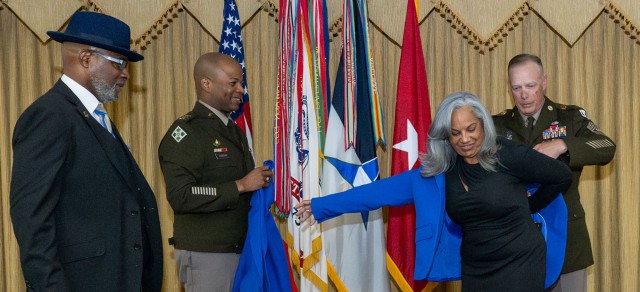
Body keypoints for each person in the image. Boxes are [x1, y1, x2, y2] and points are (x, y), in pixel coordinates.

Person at [296, 92, 572, 291]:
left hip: (520, 261)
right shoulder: (439, 174)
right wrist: (321, 206)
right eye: (455, 133)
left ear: (483, 125)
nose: (464, 139)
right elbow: (378, 192)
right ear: (445, 136)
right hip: (476, 266)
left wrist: (531, 206)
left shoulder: (508, 155)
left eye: (471, 129)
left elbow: (560, 175)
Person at [10, 11, 163, 291]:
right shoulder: (50, 115)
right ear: (86, 59)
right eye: (120, 63)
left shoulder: (95, 117)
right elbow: (32, 221)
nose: (126, 74)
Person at [493, 54, 616, 292]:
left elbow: (606, 147)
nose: (524, 95)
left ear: (544, 82)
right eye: (516, 88)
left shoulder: (569, 117)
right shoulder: (497, 126)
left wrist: (564, 145)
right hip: (514, 240)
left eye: (530, 86)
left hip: (567, 239)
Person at [158, 52, 272, 292]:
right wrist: (240, 186)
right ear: (206, 84)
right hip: (207, 254)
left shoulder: (233, 130)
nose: (241, 89)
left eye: (241, 83)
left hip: (239, 249)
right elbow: (180, 196)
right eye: (233, 83)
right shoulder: (186, 133)